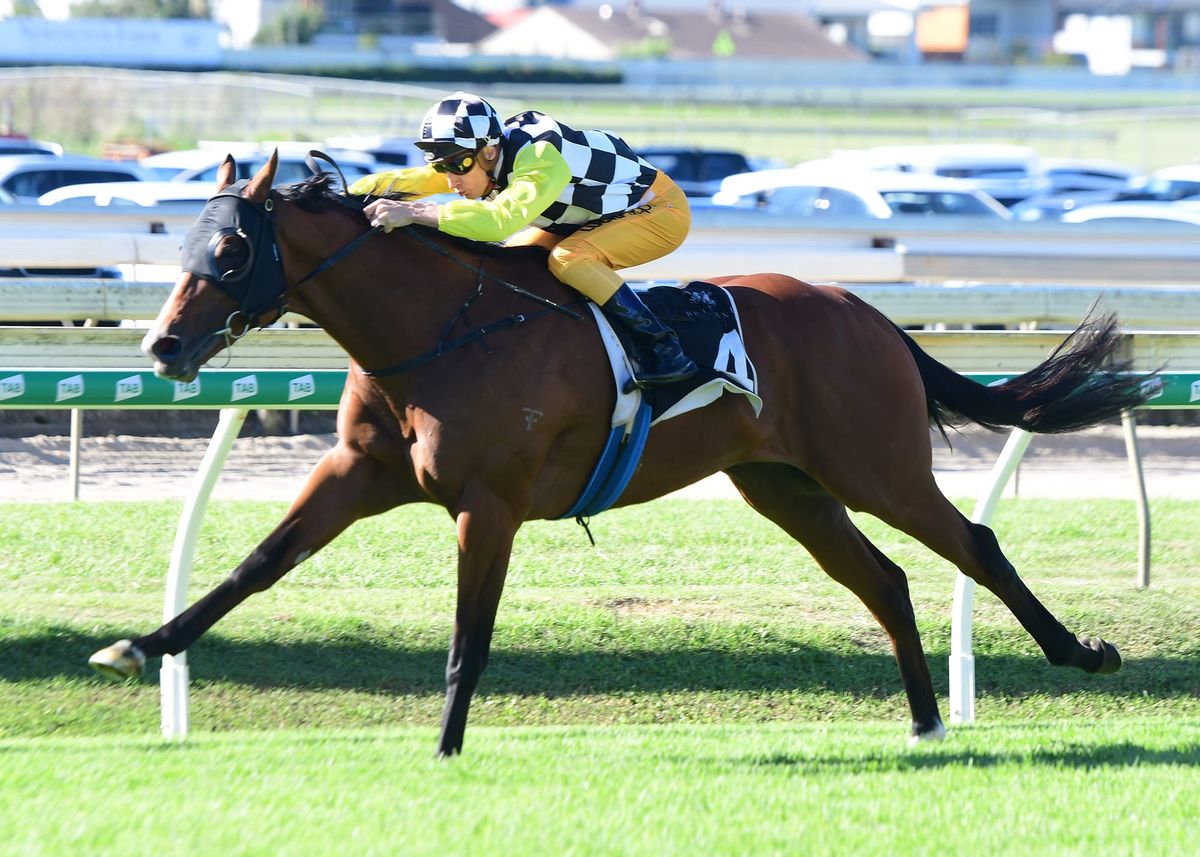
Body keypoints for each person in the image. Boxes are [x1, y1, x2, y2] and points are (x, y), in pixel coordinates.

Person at [349, 91, 698, 388]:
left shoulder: (540, 157)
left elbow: (499, 223)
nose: (450, 181)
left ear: (488, 151)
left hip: (659, 209)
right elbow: (416, 179)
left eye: (455, 166)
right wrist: (342, 193)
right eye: (444, 167)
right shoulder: (483, 156)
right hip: (590, 217)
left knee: (569, 259)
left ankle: (663, 346)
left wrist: (415, 213)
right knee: (505, 270)